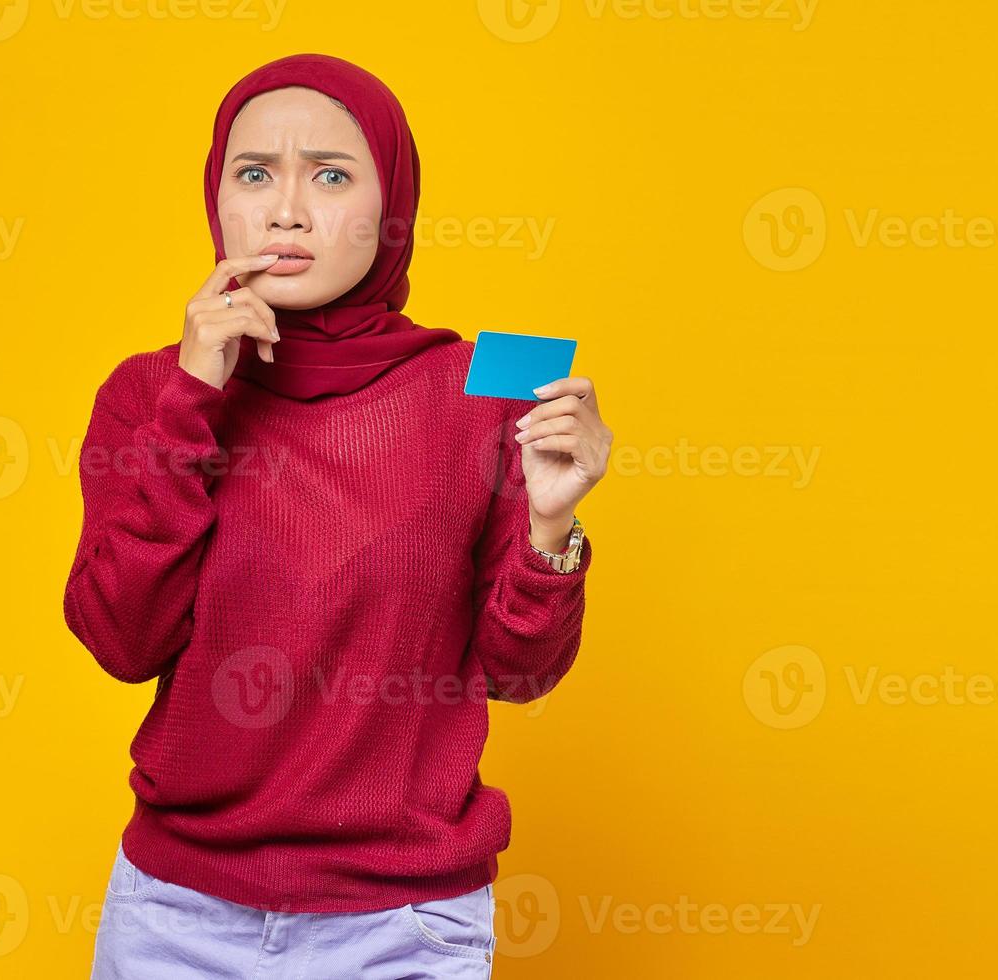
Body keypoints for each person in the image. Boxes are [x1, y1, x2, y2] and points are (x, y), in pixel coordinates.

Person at [64, 52, 612, 979]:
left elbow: (524, 675)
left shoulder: (487, 390)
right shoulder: (147, 393)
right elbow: (121, 639)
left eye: (329, 174)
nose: (286, 209)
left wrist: (552, 530)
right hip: (177, 918)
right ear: (215, 199)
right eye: (253, 174)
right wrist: (195, 397)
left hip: (402, 924)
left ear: (392, 204)